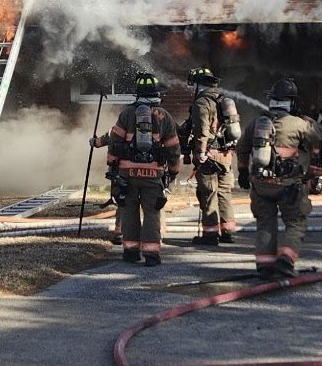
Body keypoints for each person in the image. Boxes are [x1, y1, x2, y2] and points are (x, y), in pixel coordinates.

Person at [235, 77, 322, 279]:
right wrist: (310, 122)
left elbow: (242, 147)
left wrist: (242, 172)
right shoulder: (300, 124)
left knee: (265, 223)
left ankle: (265, 266)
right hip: (288, 185)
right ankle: (285, 260)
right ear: (292, 101)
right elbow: (319, 139)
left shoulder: (258, 122)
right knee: (295, 222)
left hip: (260, 184)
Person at [107, 72, 181, 267]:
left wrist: (113, 168)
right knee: (152, 212)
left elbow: (114, 143)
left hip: (127, 174)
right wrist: (173, 171)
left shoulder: (126, 114)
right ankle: (151, 255)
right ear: (157, 93)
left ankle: (130, 252)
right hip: (153, 174)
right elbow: (173, 147)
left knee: (129, 211)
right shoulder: (165, 116)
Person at [187, 67, 242, 247]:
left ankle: (210, 235)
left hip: (209, 155)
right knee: (224, 193)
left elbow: (202, 131)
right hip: (226, 155)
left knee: (208, 193)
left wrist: (201, 152)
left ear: (197, 85)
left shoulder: (202, 103)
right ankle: (228, 232)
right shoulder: (223, 100)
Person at [90, 131, 123, 244]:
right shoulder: (151, 127)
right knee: (150, 206)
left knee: (123, 203)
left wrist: (93, 141)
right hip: (147, 174)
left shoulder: (118, 129)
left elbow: (100, 142)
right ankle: (154, 234)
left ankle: (120, 234)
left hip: (121, 172)